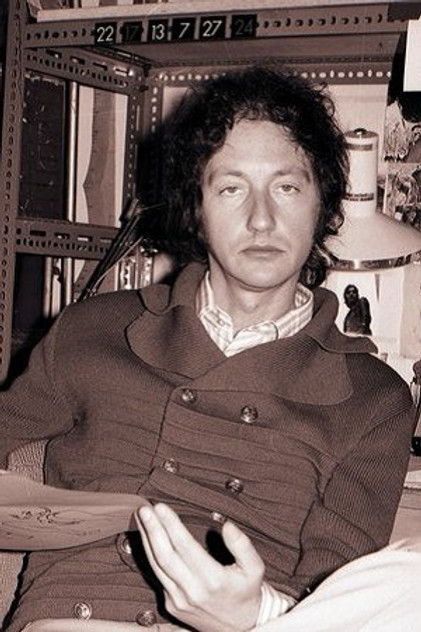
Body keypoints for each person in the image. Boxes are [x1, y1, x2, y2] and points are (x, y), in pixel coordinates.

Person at [0, 66, 417, 632]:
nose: (261, 219)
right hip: (80, 617)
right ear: (196, 209)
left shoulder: (373, 398)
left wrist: (252, 614)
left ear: (322, 204)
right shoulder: (93, 330)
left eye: (287, 187)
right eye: (231, 188)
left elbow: (339, 594)